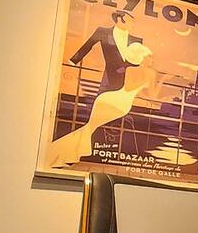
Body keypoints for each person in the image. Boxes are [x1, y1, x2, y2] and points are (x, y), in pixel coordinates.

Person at [47, 11, 155, 168]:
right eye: (130, 20)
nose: (133, 24)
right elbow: (89, 45)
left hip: (126, 86)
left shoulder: (137, 41)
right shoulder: (103, 32)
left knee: (98, 124)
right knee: (95, 121)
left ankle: (84, 151)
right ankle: (80, 152)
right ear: (120, 19)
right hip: (109, 82)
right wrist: (72, 61)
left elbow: (138, 64)